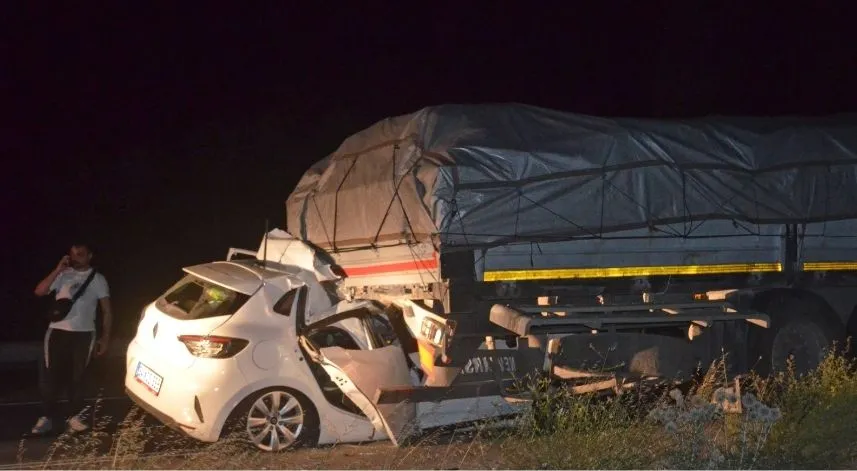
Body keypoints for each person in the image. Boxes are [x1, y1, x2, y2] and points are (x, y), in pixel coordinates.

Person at [30, 242, 112, 435]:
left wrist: (105, 338)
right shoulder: (63, 275)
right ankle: (46, 417)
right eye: (73, 255)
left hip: (84, 334)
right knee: (49, 376)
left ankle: (74, 417)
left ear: (90, 256)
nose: (76, 258)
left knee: (78, 377)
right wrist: (58, 269)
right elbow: (39, 291)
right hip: (57, 332)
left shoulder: (98, 279)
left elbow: (107, 311)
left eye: (81, 254)